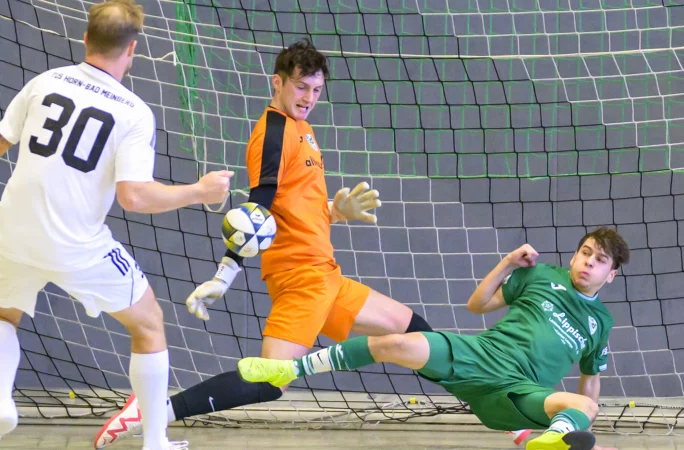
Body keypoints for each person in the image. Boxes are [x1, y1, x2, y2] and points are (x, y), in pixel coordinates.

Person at [0, 1, 232, 449]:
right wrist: (199, 191)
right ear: (132, 49)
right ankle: (154, 442)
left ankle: (0, 404)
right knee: (149, 324)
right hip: (79, 247)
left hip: (14, 231)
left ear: (86, 39)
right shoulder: (134, 112)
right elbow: (135, 197)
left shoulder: (44, 83)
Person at [93, 38, 434, 448]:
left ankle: (502, 411)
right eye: (301, 87)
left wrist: (334, 209)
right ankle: (153, 412)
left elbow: (295, 206)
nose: (308, 98)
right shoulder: (274, 132)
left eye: (316, 90)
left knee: (416, 333)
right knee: (270, 381)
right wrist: (225, 273)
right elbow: (258, 210)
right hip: (302, 280)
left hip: (327, 276)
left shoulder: (302, 128)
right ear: (278, 82)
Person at [238, 228, 629, 450]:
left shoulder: (601, 323)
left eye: (599, 261)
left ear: (609, 275)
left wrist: (585, 429)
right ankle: (287, 368)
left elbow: (590, 380)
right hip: (480, 356)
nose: (589, 262)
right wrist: (508, 262)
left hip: (520, 393)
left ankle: (555, 440)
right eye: (585, 253)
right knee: (397, 341)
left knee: (582, 404)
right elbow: (477, 305)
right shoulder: (541, 275)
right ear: (575, 255)